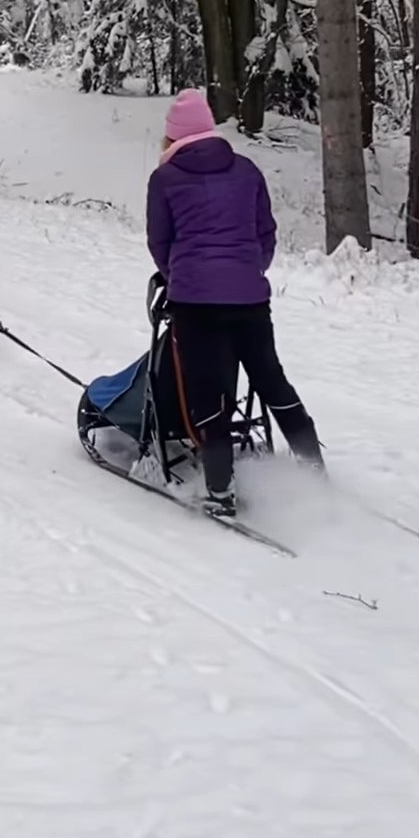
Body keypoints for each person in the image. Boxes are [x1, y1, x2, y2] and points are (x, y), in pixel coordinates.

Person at [146, 88, 323, 520]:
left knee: (211, 395)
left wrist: (178, 275)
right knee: (272, 382)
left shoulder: (164, 179)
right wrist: (249, 270)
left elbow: (160, 241)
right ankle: (314, 473)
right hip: (249, 299)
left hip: (194, 303)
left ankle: (220, 493)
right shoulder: (246, 171)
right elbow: (265, 232)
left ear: (172, 138)